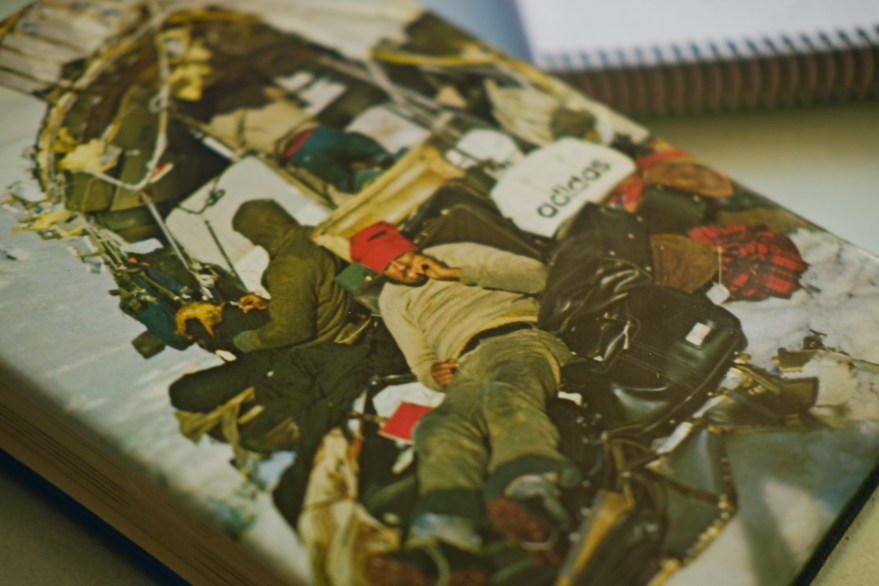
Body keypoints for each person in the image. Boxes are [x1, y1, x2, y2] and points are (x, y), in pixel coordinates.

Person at [349, 221, 581, 583]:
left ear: (409, 246)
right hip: (463, 363)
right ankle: (446, 539)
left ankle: (532, 497)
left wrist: (454, 273)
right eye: (388, 268)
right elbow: (419, 360)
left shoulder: (454, 252)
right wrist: (432, 375)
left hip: (519, 338)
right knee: (438, 426)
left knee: (504, 395)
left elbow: (537, 275)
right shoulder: (391, 300)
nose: (402, 269)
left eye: (401, 258)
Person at [229, 199, 350, 353]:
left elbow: (292, 330)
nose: (252, 242)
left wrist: (246, 341)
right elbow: (320, 289)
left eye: (249, 236)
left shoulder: (285, 266)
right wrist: (270, 304)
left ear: (260, 233)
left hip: (328, 345)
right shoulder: (312, 234)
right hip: (347, 320)